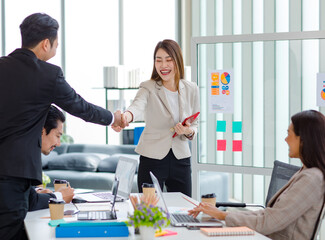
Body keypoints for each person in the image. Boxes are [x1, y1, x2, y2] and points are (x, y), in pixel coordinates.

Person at [0, 13, 123, 240]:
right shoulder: (48, 75)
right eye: (56, 44)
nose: (55, 49)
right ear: (46, 43)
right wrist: (113, 119)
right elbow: (80, 107)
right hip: (10, 178)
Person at [188, 110, 325, 240]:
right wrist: (222, 215)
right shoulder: (306, 171)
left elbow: (269, 222)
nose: (286, 139)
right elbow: (268, 214)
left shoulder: (311, 179)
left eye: (289, 134)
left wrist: (223, 215)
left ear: (303, 139)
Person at [0, 106, 73, 240]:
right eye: (57, 136)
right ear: (42, 130)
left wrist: (33, 190)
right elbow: (31, 202)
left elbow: (14, 191)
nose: (59, 143)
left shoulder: (4, 146)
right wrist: (59, 196)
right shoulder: (19, 153)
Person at [113, 39, 200, 197]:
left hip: (181, 158)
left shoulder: (191, 88)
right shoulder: (148, 87)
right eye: (158, 60)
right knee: (150, 209)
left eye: (168, 60)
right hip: (152, 157)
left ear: (177, 61)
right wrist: (126, 117)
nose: (163, 65)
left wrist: (188, 131)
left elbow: (195, 124)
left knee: (184, 209)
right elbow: (137, 106)